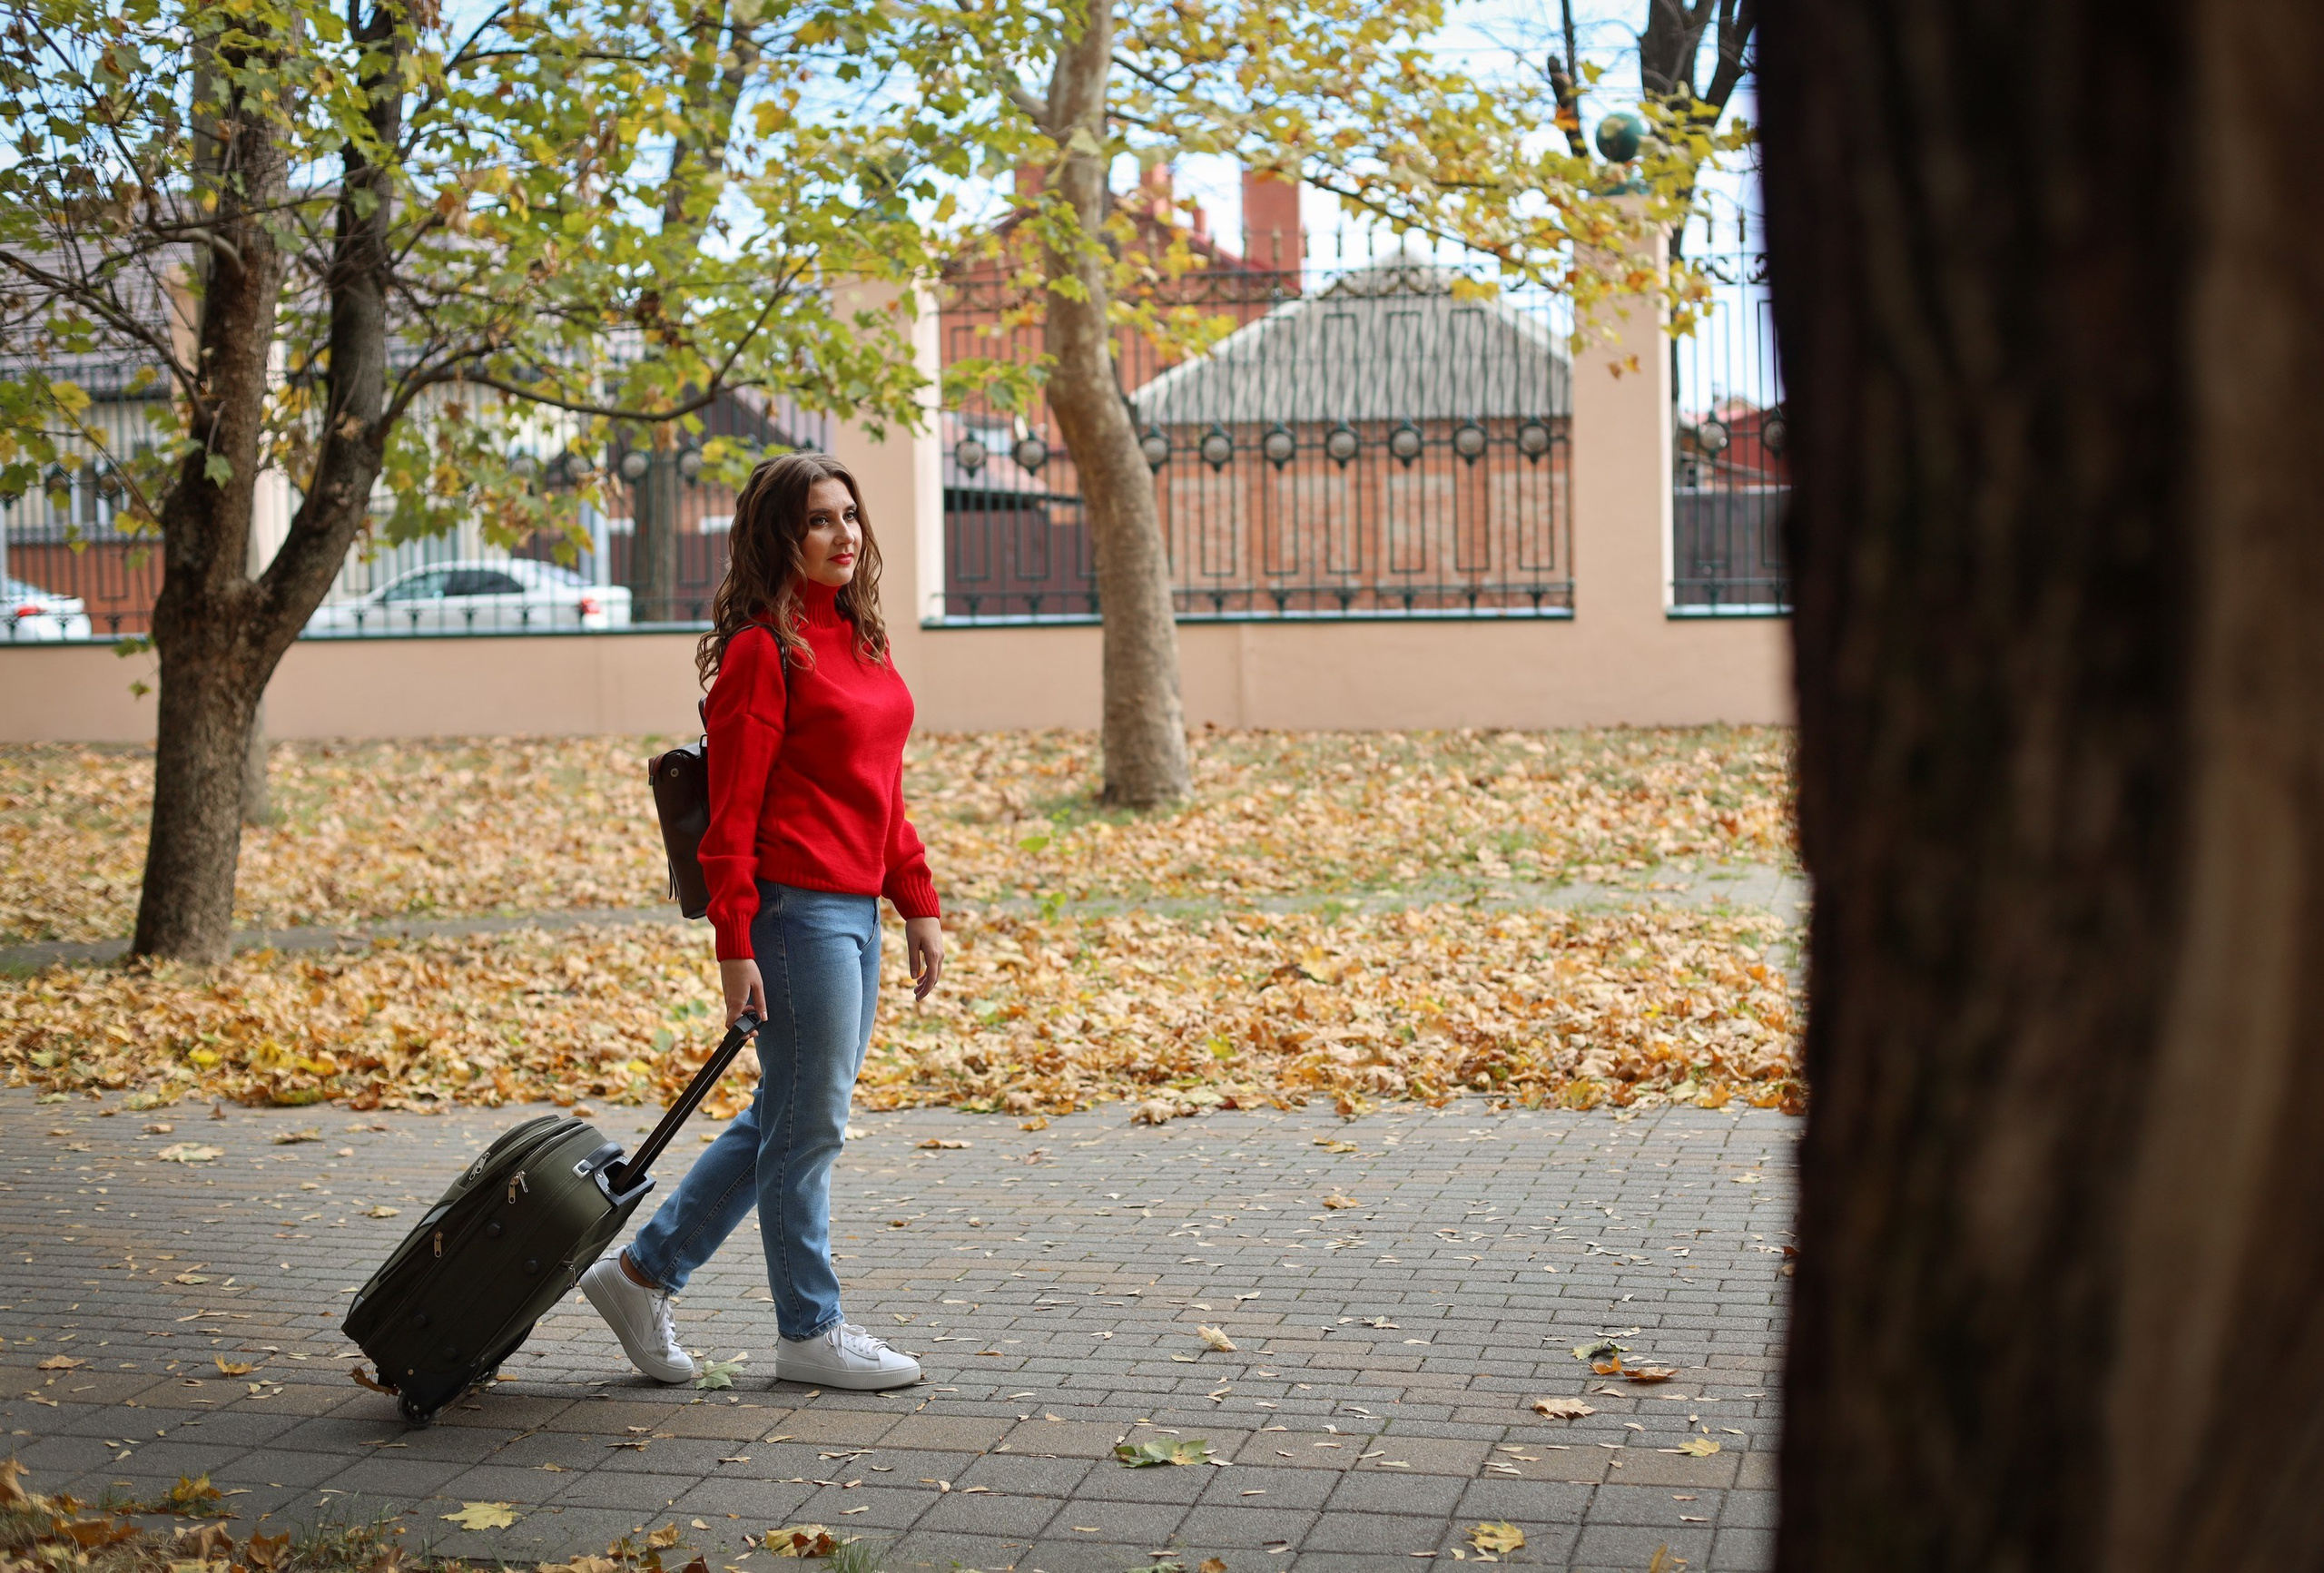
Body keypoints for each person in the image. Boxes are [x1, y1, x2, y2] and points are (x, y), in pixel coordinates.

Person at [580, 452, 944, 1391]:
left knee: (790, 1116)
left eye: (849, 515)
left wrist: (915, 899)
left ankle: (640, 1275)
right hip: (793, 912)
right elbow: (732, 817)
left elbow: (882, 791)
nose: (843, 534)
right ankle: (808, 1330)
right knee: (810, 1124)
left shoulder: (860, 637)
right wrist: (734, 943)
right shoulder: (762, 651)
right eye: (819, 519)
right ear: (779, 535)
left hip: (854, 909)